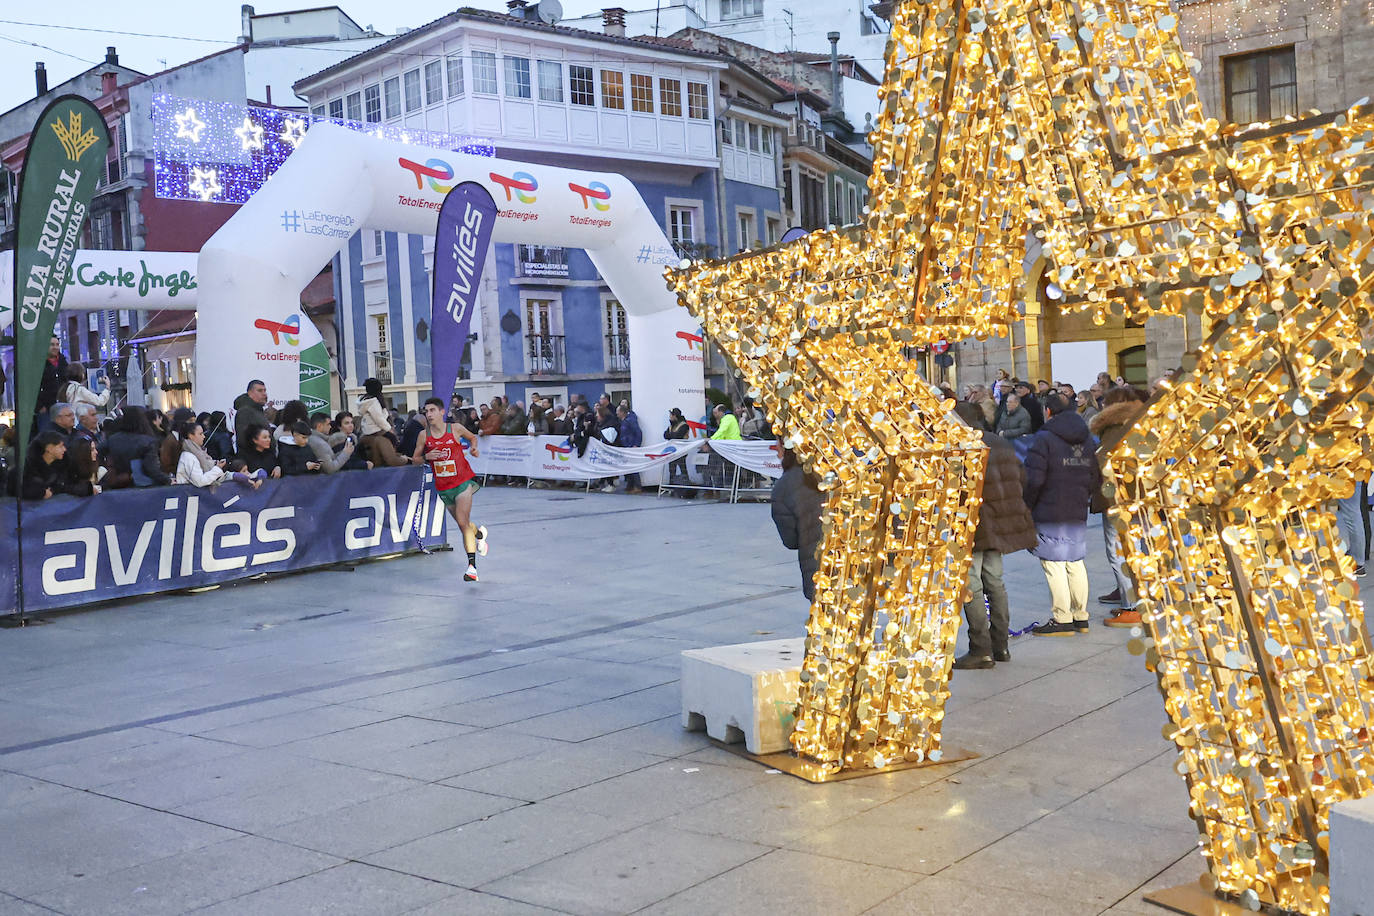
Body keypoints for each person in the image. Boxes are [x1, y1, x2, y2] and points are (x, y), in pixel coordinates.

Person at [952, 403, 1038, 669]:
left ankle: (981, 648)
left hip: (974, 525)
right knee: (995, 582)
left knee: (972, 585)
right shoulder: (1000, 443)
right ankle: (1000, 645)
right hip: (998, 522)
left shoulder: (963, 446)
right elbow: (1020, 478)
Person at [1025, 393, 1102, 637]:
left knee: (1053, 563)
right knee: (1075, 561)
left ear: (1048, 412)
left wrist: (1027, 505)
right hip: (1076, 506)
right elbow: (1094, 474)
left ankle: (1062, 617)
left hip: (1050, 508)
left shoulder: (1045, 439)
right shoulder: (1086, 438)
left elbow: (1034, 479)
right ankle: (1081, 615)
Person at [1090, 387, 1149, 625]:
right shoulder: (1142, 421)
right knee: (1138, 549)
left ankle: (1131, 605)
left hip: (1119, 499)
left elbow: (1105, 463)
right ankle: (1140, 598)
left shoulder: (1115, 428)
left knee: (1120, 552)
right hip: (1141, 496)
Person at [413, 397, 487, 582]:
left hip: (463, 481)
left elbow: (472, 437)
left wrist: (474, 448)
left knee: (462, 522)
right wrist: (427, 456)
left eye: (432, 410)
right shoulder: (424, 435)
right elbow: (415, 459)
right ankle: (478, 534)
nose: (428, 414)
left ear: (441, 412)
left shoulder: (454, 429)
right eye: (426, 411)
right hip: (444, 487)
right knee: (465, 525)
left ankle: (472, 568)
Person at [770, 447, 824, 601]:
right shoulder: (837, 470)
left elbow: (791, 541)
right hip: (853, 562)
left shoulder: (784, 486)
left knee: (824, 617)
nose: (777, 452)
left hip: (816, 566)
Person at [106, 408, 170, 488]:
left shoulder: (112, 439)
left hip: (118, 485)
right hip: (143, 486)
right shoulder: (148, 442)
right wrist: (168, 480)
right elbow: (151, 468)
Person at [358, 378, 410, 467]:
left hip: (369, 431)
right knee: (393, 438)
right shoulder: (373, 402)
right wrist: (405, 460)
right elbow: (379, 419)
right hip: (376, 429)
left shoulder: (364, 401)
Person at [13, 431, 73, 499]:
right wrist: (41, 493)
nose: (64, 449)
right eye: (61, 446)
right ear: (49, 448)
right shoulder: (25, 470)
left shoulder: (63, 465)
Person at [175, 419, 228, 488]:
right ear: (191, 436)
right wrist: (217, 468)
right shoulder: (188, 457)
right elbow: (200, 481)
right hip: (190, 496)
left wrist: (216, 465)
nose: (204, 436)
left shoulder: (200, 453)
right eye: (200, 434)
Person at [34, 336, 69, 436]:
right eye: (52, 345)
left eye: (57, 345)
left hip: (62, 406)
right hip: (46, 408)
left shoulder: (63, 362)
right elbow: (33, 387)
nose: (55, 347)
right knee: (47, 436)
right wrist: (39, 406)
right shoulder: (38, 363)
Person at [233, 379, 269, 453]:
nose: (264, 394)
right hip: (254, 460)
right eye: (260, 391)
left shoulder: (258, 410)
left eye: (264, 390)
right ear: (250, 393)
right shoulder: (244, 412)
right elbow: (243, 440)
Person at [616, 403, 644, 493]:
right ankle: (630, 485)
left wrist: (636, 444)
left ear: (622, 412)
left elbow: (638, 432)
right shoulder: (623, 421)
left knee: (634, 467)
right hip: (626, 446)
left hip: (631, 446)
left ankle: (637, 486)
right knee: (629, 468)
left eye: (618, 412)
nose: (617, 414)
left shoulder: (630, 421)